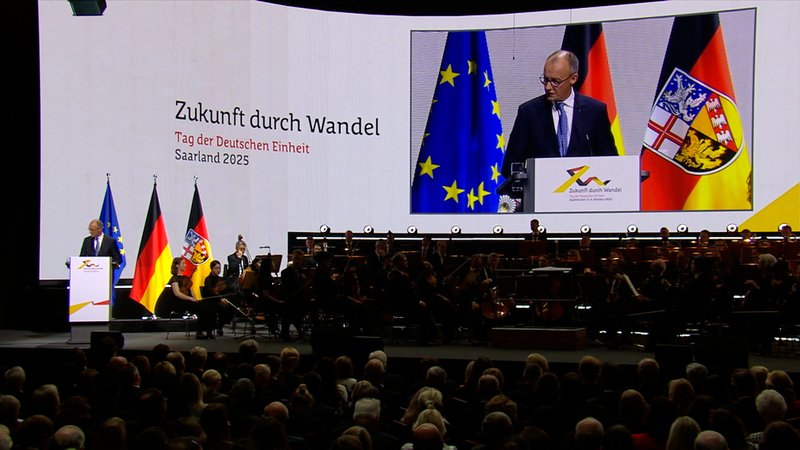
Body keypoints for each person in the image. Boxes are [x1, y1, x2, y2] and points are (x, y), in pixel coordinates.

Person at [501, 49, 617, 178]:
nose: (548, 87)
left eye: (555, 81)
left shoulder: (594, 111)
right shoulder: (529, 113)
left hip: (584, 193)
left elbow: (611, 162)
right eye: (545, 80)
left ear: (573, 79)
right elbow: (510, 166)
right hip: (541, 194)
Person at [155, 257, 205, 339]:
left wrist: (195, 299)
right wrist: (190, 299)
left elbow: (191, 292)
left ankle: (204, 330)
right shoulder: (174, 279)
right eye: (183, 263)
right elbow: (177, 294)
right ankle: (199, 332)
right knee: (200, 308)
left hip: (189, 301)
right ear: (177, 266)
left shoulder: (187, 278)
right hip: (179, 302)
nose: (185, 265)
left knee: (204, 306)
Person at [200, 259, 232, 338]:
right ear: (212, 269)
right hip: (210, 300)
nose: (218, 270)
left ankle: (220, 326)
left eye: (219, 268)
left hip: (218, 300)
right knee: (216, 308)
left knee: (228, 308)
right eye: (216, 268)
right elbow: (210, 292)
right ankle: (210, 331)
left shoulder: (220, 279)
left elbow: (224, 291)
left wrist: (224, 297)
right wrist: (220, 299)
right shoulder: (208, 279)